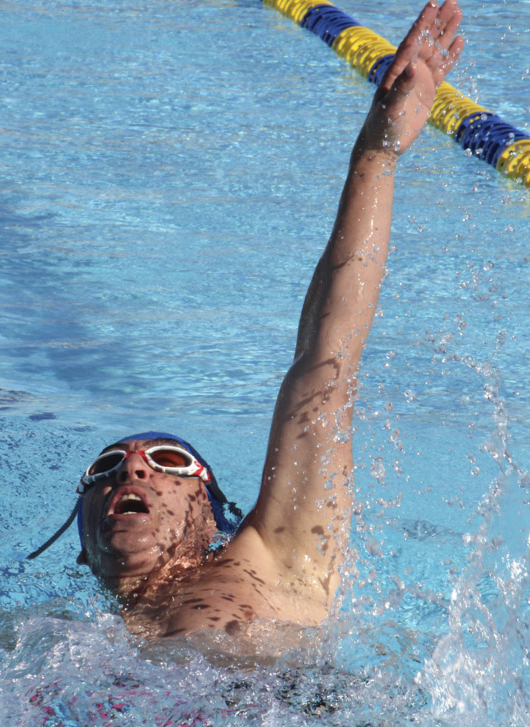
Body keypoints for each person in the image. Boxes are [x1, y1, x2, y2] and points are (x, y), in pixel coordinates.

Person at [30, 0, 465, 643]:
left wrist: (376, 154)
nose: (133, 471)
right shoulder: (47, 641)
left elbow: (325, 363)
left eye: (168, 460)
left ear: (210, 511)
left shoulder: (272, 562)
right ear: (81, 547)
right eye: (106, 469)